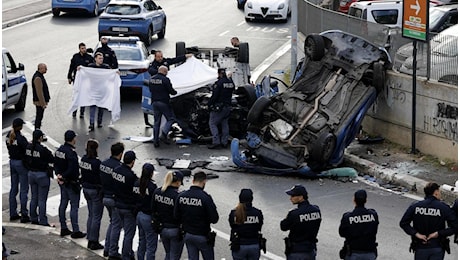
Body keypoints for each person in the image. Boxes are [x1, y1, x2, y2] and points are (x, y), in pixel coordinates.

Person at [400, 182, 457, 260]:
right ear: (436, 192)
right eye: (439, 191)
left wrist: (416, 234)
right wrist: (438, 233)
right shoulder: (444, 208)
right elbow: (455, 227)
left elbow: (403, 223)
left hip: (420, 246)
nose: (440, 194)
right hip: (437, 246)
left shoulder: (415, 206)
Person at [174, 171, 219, 260]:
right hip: (202, 235)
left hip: (188, 234)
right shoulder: (205, 198)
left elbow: (176, 216)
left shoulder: (181, 196)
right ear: (204, 182)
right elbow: (214, 219)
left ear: (193, 180)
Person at [144, 50, 192, 126]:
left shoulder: (165, 62)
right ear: (155, 57)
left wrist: (185, 56)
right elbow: (151, 71)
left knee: (158, 120)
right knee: (168, 118)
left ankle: (158, 135)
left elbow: (174, 60)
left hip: (161, 93)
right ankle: (163, 131)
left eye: (161, 56)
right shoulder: (153, 65)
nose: (160, 58)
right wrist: (160, 72)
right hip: (160, 93)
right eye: (159, 57)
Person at [54, 130, 86, 239]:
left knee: (63, 204)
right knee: (74, 207)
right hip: (71, 183)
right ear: (72, 139)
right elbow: (73, 169)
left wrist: (59, 175)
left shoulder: (59, 150)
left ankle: (63, 227)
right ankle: (76, 230)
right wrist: (64, 176)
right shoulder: (71, 153)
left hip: (62, 182)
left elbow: (56, 164)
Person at [109, 151, 138, 260]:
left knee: (115, 228)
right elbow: (134, 192)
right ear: (133, 162)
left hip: (117, 204)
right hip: (127, 207)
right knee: (129, 234)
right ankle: (126, 256)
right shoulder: (131, 176)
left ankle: (112, 252)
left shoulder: (116, 170)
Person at [280, 184, 322, 260]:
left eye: (293, 196)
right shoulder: (316, 210)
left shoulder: (294, 213)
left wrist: (287, 216)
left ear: (300, 197)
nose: (290, 198)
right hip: (310, 250)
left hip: (296, 251)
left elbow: (283, 227)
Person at [24, 129, 54, 226]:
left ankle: (33, 217)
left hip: (31, 174)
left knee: (34, 197)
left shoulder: (28, 147)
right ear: (40, 138)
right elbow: (52, 158)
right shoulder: (42, 149)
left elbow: (25, 160)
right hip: (42, 175)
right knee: (42, 200)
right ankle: (43, 220)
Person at [152, 170, 185, 260]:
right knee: (174, 256)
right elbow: (181, 214)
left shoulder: (158, 192)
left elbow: (153, 209)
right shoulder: (178, 196)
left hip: (162, 228)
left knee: (168, 253)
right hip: (175, 229)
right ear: (178, 182)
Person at [100, 142, 124, 258]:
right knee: (116, 225)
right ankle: (113, 252)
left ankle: (107, 248)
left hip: (105, 196)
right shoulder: (118, 168)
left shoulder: (103, 164)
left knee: (112, 223)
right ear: (121, 154)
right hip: (114, 199)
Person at [339, 189, 379, 260]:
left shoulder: (347, 217)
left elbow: (342, 233)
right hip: (370, 253)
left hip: (353, 254)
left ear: (354, 200)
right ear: (366, 200)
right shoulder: (373, 215)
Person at [143, 65, 177, 147]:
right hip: (163, 102)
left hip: (154, 102)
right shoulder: (165, 79)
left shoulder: (151, 79)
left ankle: (155, 141)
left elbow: (150, 90)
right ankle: (164, 134)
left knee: (156, 122)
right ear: (165, 72)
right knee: (171, 119)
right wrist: (176, 92)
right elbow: (171, 91)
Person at [80, 139, 104, 250]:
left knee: (91, 214)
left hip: (85, 188)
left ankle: (90, 236)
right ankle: (93, 240)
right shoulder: (96, 163)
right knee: (96, 216)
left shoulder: (84, 159)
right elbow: (100, 178)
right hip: (95, 190)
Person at [228, 188, 264, 260]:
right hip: (254, 245)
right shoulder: (257, 213)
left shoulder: (234, 213)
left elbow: (232, 226)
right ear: (251, 199)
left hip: (239, 245)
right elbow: (259, 226)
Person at [6, 118, 30, 223]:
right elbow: (27, 150)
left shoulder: (8, 136)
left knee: (13, 188)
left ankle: (13, 212)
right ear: (20, 126)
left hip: (12, 162)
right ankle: (24, 213)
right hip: (21, 164)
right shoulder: (20, 138)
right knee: (24, 189)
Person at [134, 163, 157, 260]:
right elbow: (155, 203)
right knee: (151, 246)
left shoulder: (136, 183)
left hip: (139, 215)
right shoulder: (152, 187)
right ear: (151, 174)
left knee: (142, 242)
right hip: (148, 217)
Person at [207, 68, 235, 149]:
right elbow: (233, 88)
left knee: (212, 123)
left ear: (219, 74)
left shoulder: (218, 83)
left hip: (220, 107)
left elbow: (214, 96)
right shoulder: (230, 82)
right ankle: (224, 142)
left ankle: (216, 142)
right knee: (225, 124)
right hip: (228, 107)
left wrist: (209, 104)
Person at [68, 42, 94, 118]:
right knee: (76, 95)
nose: (84, 50)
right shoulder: (75, 57)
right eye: (82, 48)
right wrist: (69, 77)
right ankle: (74, 111)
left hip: (86, 80)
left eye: (85, 48)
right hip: (77, 79)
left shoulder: (89, 58)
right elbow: (71, 67)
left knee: (84, 96)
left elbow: (92, 68)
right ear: (79, 49)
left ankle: (82, 112)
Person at [86, 52, 111, 131]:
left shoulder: (105, 67)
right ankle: (91, 123)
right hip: (93, 90)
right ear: (95, 59)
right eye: (99, 58)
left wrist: (116, 72)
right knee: (92, 107)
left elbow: (111, 73)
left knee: (101, 107)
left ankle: (99, 122)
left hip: (102, 90)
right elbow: (85, 72)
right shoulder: (90, 67)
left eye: (102, 58)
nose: (101, 60)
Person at [32, 63, 50, 141]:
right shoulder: (38, 78)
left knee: (39, 117)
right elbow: (39, 92)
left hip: (39, 102)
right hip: (39, 103)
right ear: (40, 68)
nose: (46, 70)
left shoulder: (39, 76)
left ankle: (37, 131)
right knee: (39, 117)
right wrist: (43, 103)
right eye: (45, 68)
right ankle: (37, 132)